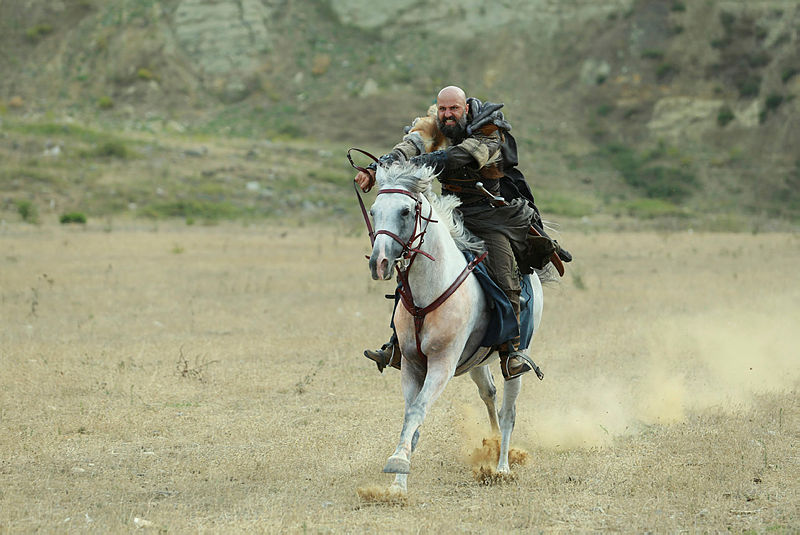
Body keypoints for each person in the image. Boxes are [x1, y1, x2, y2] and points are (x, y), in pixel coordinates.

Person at [355, 86, 570, 380]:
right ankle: (396, 343)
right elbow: (406, 148)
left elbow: (457, 158)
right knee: (412, 264)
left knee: (504, 272)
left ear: (465, 109)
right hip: (449, 211)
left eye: (453, 109)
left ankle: (512, 350)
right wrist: (373, 168)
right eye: (442, 109)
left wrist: (414, 166)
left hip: (489, 215)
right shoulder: (434, 126)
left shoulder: (490, 130)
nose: (447, 115)